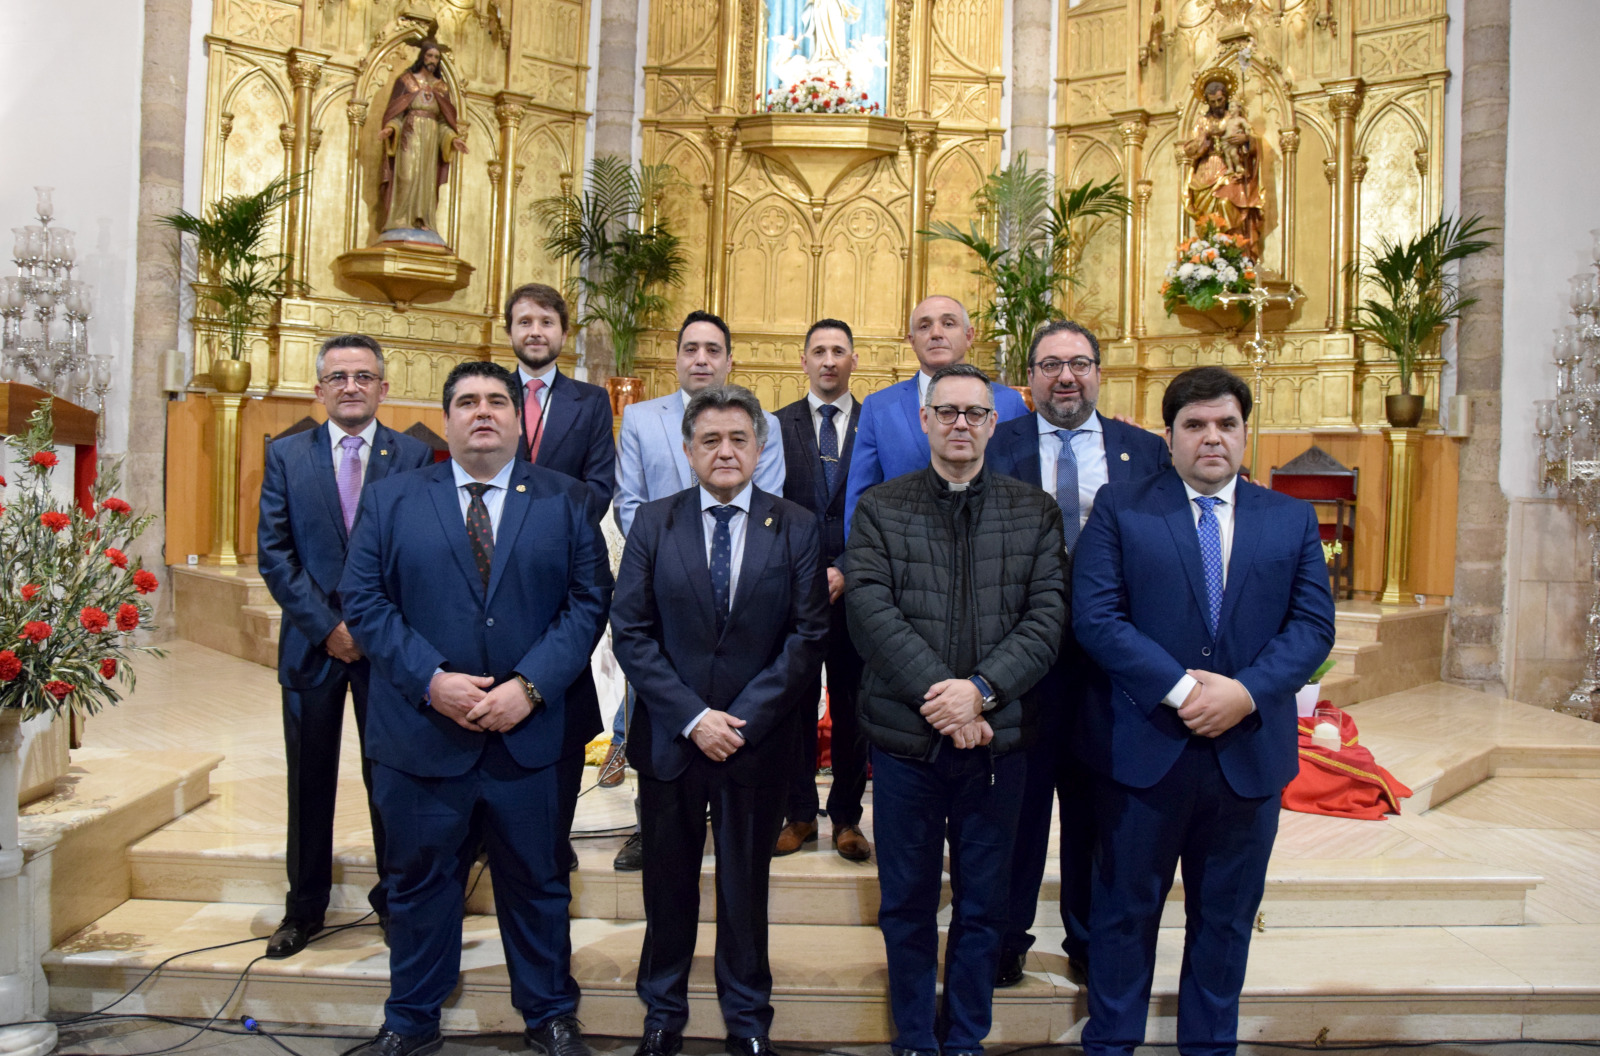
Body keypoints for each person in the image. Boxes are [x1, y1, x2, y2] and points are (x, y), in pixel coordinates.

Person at [340, 361, 609, 1056]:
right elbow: (364, 602)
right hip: (422, 733)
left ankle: (550, 1015)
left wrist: (530, 686)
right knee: (419, 884)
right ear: (447, 418)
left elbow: (588, 603)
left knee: (539, 881)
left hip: (533, 736)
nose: (482, 412)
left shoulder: (567, 499)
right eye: (467, 402)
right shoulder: (391, 500)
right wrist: (431, 680)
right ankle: (411, 1019)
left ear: (519, 419)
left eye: (496, 401)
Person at [1072, 365, 1336, 1056]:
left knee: (1225, 923)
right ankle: (1111, 1044)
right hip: (1144, 753)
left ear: (1247, 433)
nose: (1211, 437)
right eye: (1194, 425)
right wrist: (1184, 691)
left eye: (1226, 424)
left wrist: (1244, 692)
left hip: (1247, 757)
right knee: (1124, 916)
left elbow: (1313, 627)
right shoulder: (1122, 508)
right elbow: (1097, 617)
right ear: (1169, 437)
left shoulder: (1289, 518)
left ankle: (1209, 1047)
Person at [844, 363, 1066, 1056]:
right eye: (947, 412)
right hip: (907, 743)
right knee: (907, 902)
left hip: (998, 743)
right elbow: (869, 612)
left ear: (994, 423)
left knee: (983, 905)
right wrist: (945, 698)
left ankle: (966, 1035)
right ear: (925, 421)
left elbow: (1047, 619)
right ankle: (915, 1035)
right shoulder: (882, 508)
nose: (960, 424)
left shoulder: (1034, 511)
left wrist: (982, 692)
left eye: (974, 413)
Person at [611, 384, 828, 1056]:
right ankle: (662, 1013)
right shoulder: (655, 521)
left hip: (754, 744)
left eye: (739, 438)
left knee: (744, 887)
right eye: (710, 440)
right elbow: (631, 630)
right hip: (672, 741)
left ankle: (748, 1017)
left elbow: (807, 635)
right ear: (688, 450)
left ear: (759, 449)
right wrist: (693, 717)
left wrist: (740, 719)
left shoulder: (796, 525)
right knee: (667, 885)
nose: (725, 451)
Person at [985, 319, 1170, 986]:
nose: (1066, 377)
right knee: (1017, 811)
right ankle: (1005, 938)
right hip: (1021, 666)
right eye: (1051, 365)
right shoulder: (995, 444)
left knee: (1098, 811)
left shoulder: (1144, 452)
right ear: (1030, 379)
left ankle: (1091, 942)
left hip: (1109, 671)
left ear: (1098, 372)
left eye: (1080, 364)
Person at [256, 334, 433, 959]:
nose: (351, 386)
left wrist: (367, 627)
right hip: (312, 648)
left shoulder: (414, 455)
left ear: (383, 387)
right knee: (309, 783)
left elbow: (418, 552)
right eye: (338, 377)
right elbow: (275, 554)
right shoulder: (287, 455)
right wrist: (328, 628)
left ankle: (396, 902)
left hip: (387, 650)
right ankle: (303, 908)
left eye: (363, 376)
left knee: (391, 781)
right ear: (319, 389)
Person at [603, 310, 787, 870]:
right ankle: (650, 826)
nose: (701, 359)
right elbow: (629, 502)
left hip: (742, 593)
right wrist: (669, 559)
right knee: (659, 711)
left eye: (713, 349)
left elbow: (768, 502)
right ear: (677, 357)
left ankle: (735, 822)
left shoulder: (764, 423)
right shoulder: (641, 418)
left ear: (730, 360)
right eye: (690, 348)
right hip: (663, 587)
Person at [505, 282, 617, 870]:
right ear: (510, 331)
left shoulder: (590, 401)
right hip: (489, 568)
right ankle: (497, 830)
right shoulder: (488, 391)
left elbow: (599, 487)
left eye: (546, 321)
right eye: (525, 321)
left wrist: (537, 524)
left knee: (558, 695)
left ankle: (554, 836)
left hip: (561, 565)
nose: (535, 331)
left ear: (563, 333)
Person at [772, 318, 870, 862]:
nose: (829, 360)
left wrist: (849, 568)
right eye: (819, 351)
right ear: (803, 360)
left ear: (854, 360)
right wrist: (807, 573)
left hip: (861, 591)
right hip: (794, 589)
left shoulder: (874, 423)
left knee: (854, 706)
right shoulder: (775, 424)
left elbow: (885, 504)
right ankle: (799, 814)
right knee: (794, 704)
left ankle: (848, 817)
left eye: (839, 351)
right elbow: (768, 506)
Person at [842, 295, 1029, 536]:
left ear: (969, 336)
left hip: (991, 546)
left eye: (948, 323)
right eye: (924, 326)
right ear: (912, 341)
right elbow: (860, 499)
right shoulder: (879, 407)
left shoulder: (1010, 403)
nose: (936, 333)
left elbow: (1026, 491)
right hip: (902, 548)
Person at [379, 37, 469, 238]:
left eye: (436, 57)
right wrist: (391, 128)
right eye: (429, 55)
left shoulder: (441, 88)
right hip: (409, 135)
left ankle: (423, 220)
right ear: (422, 56)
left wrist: (453, 139)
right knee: (406, 176)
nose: (433, 60)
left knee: (426, 181)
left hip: (431, 140)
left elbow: (444, 122)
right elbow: (397, 113)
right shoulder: (407, 81)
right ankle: (400, 220)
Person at [1180, 68, 1263, 260]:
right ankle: (1210, 255)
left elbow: (1252, 141)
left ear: (1226, 98)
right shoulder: (1202, 122)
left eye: (1220, 100)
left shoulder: (1234, 117)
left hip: (1229, 169)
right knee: (1206, 219)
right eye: (1213, 102)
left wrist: (1246, 140)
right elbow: (1189, 150)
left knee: (1227, 203)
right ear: (1207, 101)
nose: (1217, 105)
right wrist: (1205, 140)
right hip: (1206, 172)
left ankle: (1233, 252)